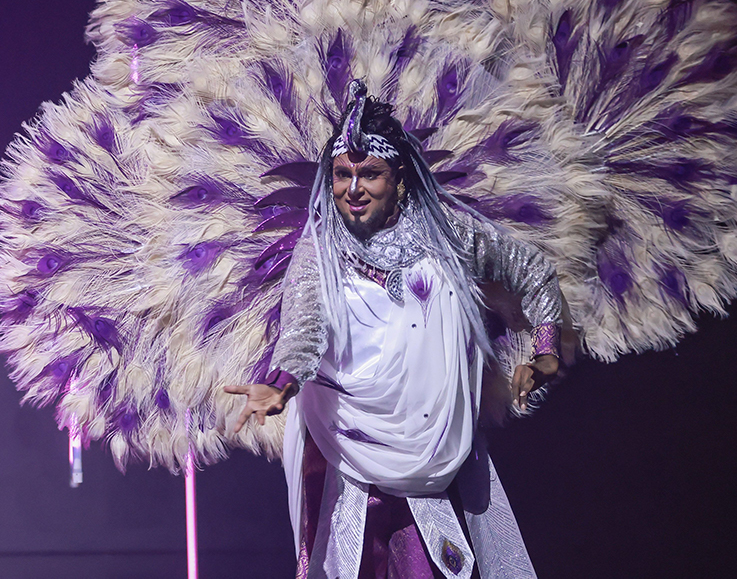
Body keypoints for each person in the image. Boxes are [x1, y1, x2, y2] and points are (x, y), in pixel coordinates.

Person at [226, 81, 573, 578]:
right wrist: (280, 384)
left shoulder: (448, 234)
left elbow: (533, 272)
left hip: (435, 446)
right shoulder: (319, 250)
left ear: (400, 179)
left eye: (369, 174)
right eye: (342, 174)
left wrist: (545, 353)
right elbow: (303, 331)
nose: (352, 189)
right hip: (348, 449)